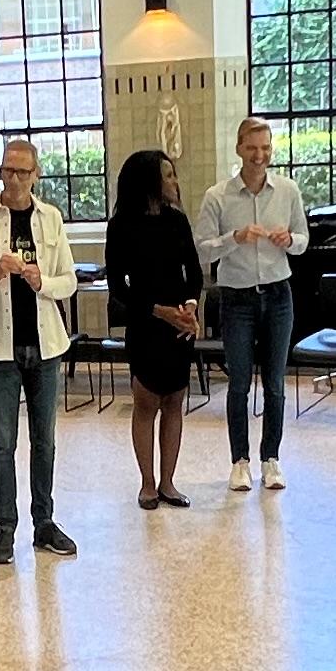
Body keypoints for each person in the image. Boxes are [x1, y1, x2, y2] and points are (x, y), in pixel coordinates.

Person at [0, 136, 82, 563]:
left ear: (35, 175)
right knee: (3, 442)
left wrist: (43, 282)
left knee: (45, 440)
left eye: (23, 172)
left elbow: (69, 280)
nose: (14, 179)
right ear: (0, 171)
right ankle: (5, 527)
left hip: (45, 345)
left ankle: (44, 523)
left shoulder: (51, 218)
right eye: (8, 170)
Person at [196, 116, 304, 491]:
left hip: (278, 294)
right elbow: (202, 249)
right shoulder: (218, 196)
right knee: (239, 383)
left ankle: (271, 459)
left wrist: (290, 240)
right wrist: (235, 238)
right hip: (236, 297)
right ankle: (239, 461)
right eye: (252, 148)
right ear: (239, 149)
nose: (259, 155)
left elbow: (303, 239)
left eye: (266, 148)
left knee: (275, 384)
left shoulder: (288, 190)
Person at [108, 147, 207, 509]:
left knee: (175, 400)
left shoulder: (176, 220)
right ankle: (147, 483)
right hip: (145, 320)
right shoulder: (121, 225)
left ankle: (168, 482)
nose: (174, 181)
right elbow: (118, 286)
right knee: (146, 401)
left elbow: (194, 272)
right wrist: (158, 311)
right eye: (167, 175)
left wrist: (190, 307)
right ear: (148, 181)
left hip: (179, 322)